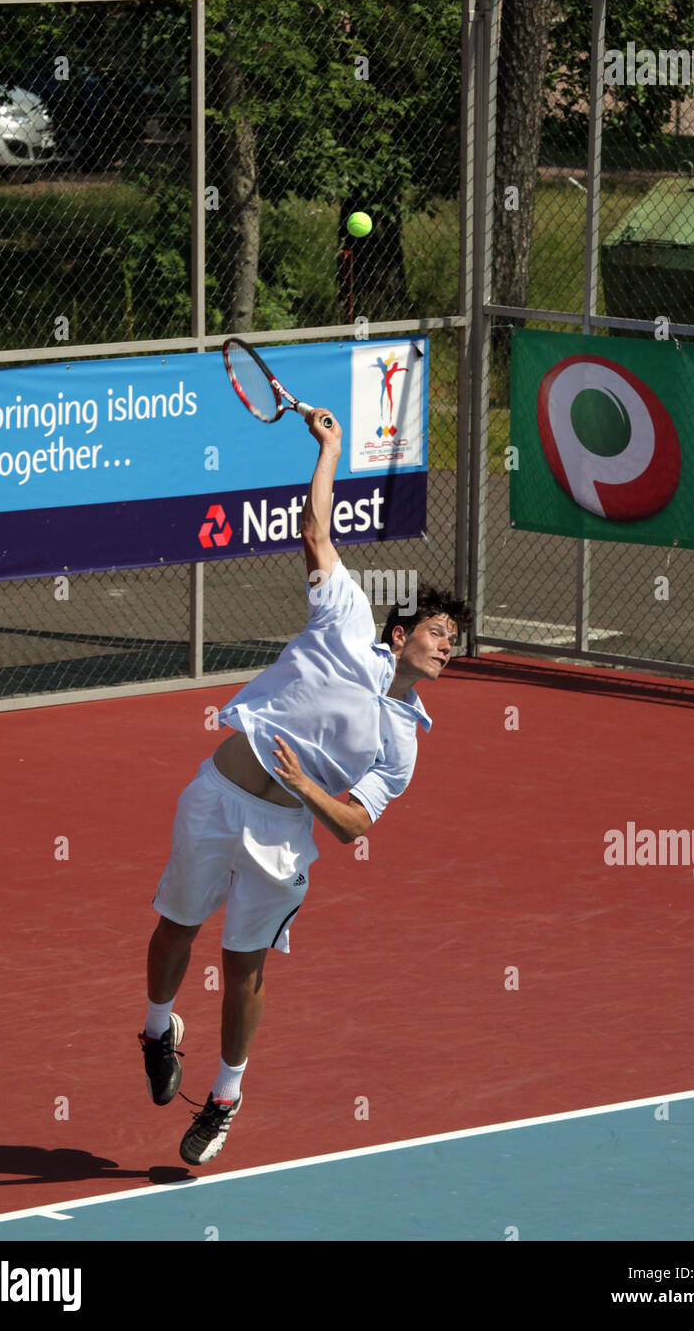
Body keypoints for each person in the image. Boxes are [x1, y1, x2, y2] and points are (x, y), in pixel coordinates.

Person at [138, 408, 471, 1165]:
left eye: (457, 642)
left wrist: (305, 789)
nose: (450, 645)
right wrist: (330, 451)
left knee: (244, 962)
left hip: (284, 836)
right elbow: (316, 530)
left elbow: (355, 826)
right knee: (174, 928)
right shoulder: (347, 619)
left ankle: (224, 1096)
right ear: (401, 632)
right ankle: (158, 1031)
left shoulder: (404, 745)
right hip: (217, 794)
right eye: (441, 630)